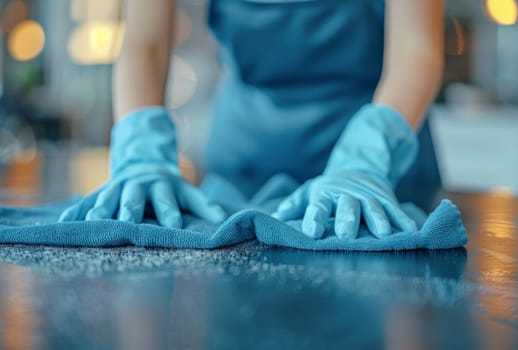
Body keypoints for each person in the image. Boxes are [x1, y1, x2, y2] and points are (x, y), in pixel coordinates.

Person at [60, 0, 444, 239]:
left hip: (381, 165)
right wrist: (139, 148)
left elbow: (417, 52)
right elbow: (146, 42)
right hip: (243, 166)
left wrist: (367, 158)